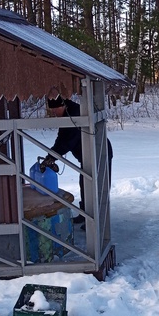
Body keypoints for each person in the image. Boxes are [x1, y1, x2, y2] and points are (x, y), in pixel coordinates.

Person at [42, 93, 112, 224]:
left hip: (99, 152)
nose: (53, 112)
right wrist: (51, 156)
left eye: (55, 109)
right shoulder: (68, 113)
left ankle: (96, 222)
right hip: (87, 156)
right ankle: (86, 215)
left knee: (96, 188)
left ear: (62, 105)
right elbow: (62, 138)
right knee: (85, 185)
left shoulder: (74, 115)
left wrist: (52, 156)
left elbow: (68, 141)